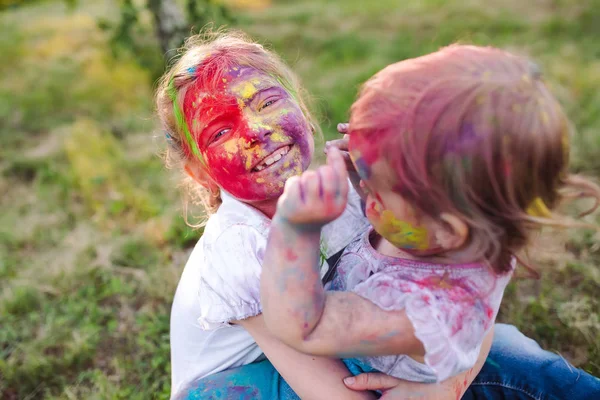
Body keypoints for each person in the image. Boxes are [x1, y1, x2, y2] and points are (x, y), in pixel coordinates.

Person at [260, 44, 600, 390]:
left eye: (375, 189)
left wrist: (295, 229)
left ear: (448, 229)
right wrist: (374, 169)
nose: (361, 185)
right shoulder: (479, 223)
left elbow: (305, 328)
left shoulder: (423, 311)